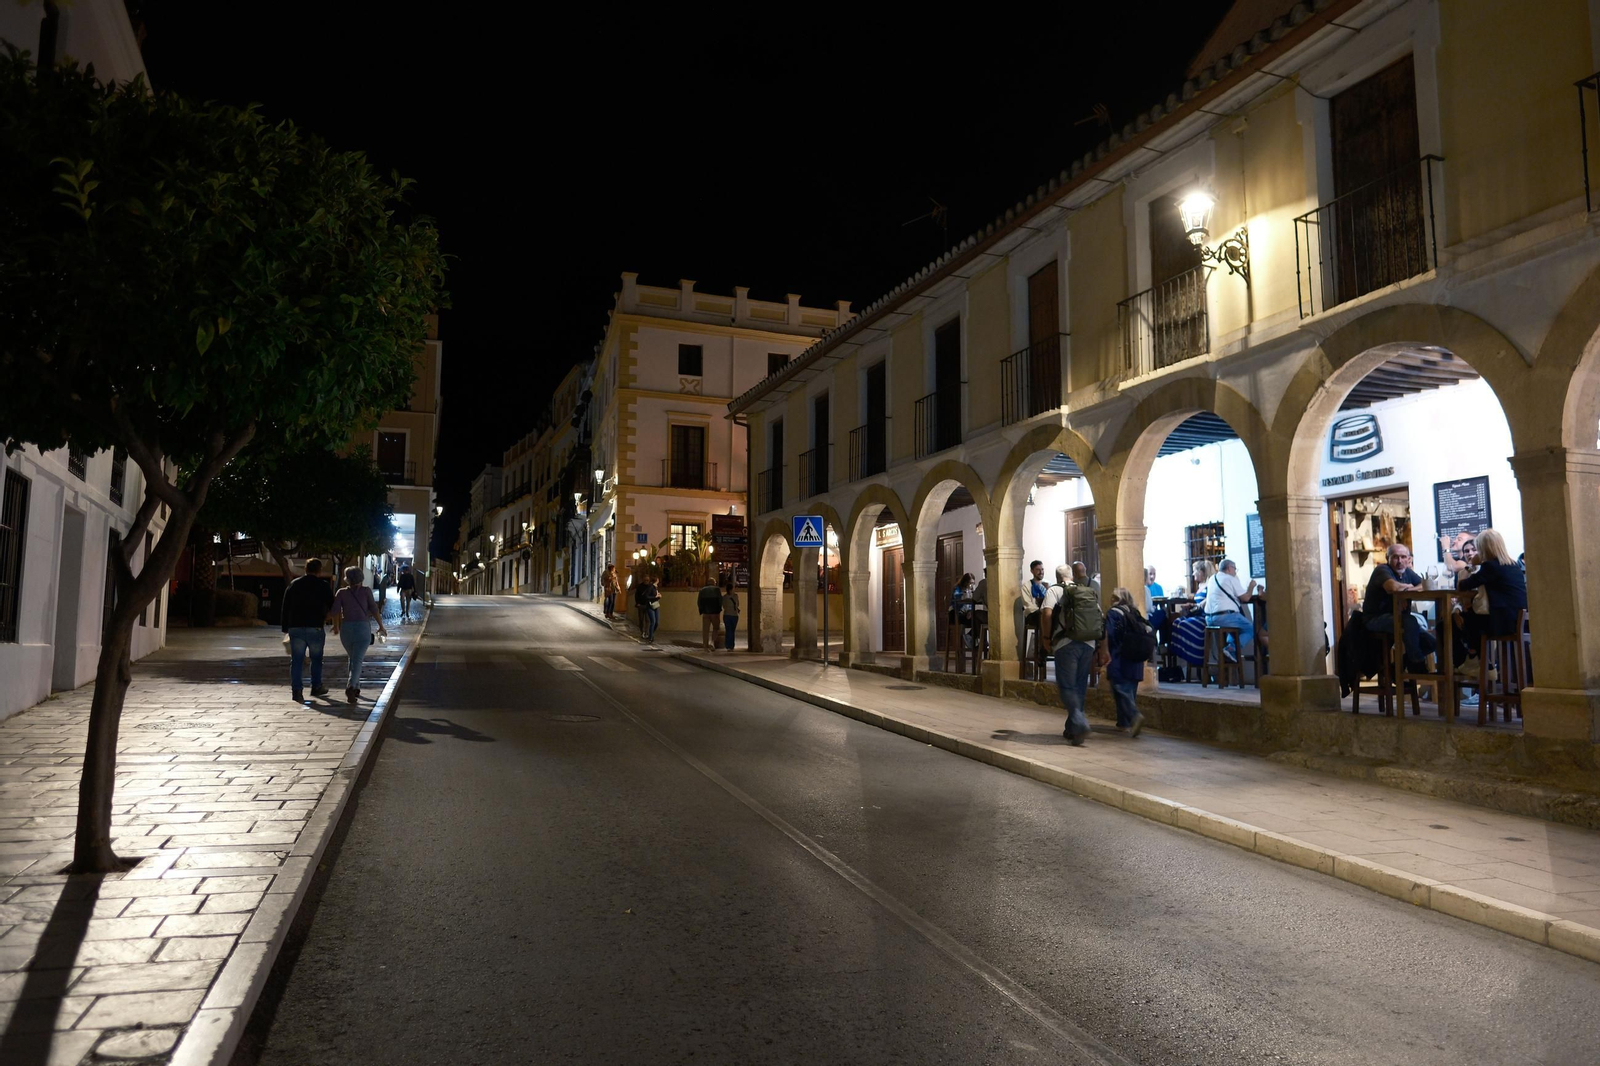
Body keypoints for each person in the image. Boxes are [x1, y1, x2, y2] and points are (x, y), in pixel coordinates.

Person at [1040, 562, 1107, 746]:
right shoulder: (1085, 590)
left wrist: (1046, 638)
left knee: (1067, 687)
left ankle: (1079, 721)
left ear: (1057, 577)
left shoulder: (1054, 591)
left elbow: (1046, 613)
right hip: (1088, 644)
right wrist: (1103, 647)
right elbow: (1101, 618)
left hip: (1066, 643)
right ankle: (1072, 730)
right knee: (1079, 686)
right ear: (1072, 576)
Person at [1454, 527, 1527, 664]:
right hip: (1519, 620)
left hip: (1502, 623)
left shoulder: (1490, 566)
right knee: (1472, 618)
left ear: (1483, 549)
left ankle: (1477, 661)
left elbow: (1463, 585)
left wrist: (1474, 563)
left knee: (1465, 618)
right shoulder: (1513, 565)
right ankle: (1481, 662)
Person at [1363, 543, 1435, 672]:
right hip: (1375, 618)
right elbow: (1393, 587)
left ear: (1409, 559)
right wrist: (1408, 589)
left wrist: (1405, 590)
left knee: (1432, 643)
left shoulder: (1407, 572)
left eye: (1403, 557)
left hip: (1399, 618)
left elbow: (1424, 585)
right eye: (1395, 557)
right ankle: (1416, 664)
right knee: (1410, 620)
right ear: (1387, 558)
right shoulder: (1382, 570)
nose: (1400, 561)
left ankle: (1397, 667)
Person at [281, 558, 334, 702]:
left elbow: (285, 606)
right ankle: (316, 686)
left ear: (305, 569)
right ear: (319, 570)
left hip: (296, 627)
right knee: (316, 659)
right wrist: (328, 618)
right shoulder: (322, 585)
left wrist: (285, 627)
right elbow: (333, 605)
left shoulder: (294, 584)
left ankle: (297, 690)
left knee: (296, 660)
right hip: (315, 626)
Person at [332, 567, 387, 705]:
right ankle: (351, 687)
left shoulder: (341, 593)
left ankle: (356, 687)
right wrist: (381, 625)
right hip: (362, 628)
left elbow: (335, 611)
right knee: (357, 660)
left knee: (354, 658)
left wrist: (336, 626)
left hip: (346, 629)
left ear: (347, 578)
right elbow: (374, 609)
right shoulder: (366, 591)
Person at [1105, 587, 1148, 737]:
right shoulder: (1135, 612)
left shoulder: (1113, 613)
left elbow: (1109, 634)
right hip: (1136, 659)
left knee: (1119, 689)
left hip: (1119, 656)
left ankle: (1134, 715)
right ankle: (1123, 723)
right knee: (1130, 690)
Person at [1203, 558, 1264, 659]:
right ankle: (1231, 649)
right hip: (1224, 617)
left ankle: (1230, 652)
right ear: (1229, 568)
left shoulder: (1212, 578)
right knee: (1251, 629)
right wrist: (1251, 586)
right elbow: (1246, 598)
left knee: (1235, 628)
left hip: (1209, 619)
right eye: (1235, 569)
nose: (1235, 572)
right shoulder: (1229, 578)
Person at [698, 574, 723, 651]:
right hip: (715, 613)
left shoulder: (702, 590)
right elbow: (720, 601)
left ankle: (705, 646)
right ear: (714, 583)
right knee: (716, 628)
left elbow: (699, 602)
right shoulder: (717, 590)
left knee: (705, 630)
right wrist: (719, 609)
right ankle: (712, 643)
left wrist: (702, 610)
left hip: (706, 613)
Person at [636, 573, 661, 643]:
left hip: (655, 605)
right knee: (650, 621)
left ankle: (650, 633)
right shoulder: (650, 587)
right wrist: (655, 597)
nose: (646, 581)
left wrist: (658, 596)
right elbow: (647, 596)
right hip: (649, 606)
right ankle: (650, 636)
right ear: (656, 580)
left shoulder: (656, 587)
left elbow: (655, 596)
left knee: (656, 622)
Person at [721, 577, 741, 651]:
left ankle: (728, 645)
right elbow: (737, 604)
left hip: (727, 615)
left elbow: (723, 606)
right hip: (734, 615)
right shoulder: (735, 596)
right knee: (732, 631)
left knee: (728, 630)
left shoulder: (724, 597)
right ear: (731, 589)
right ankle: (731, 645)